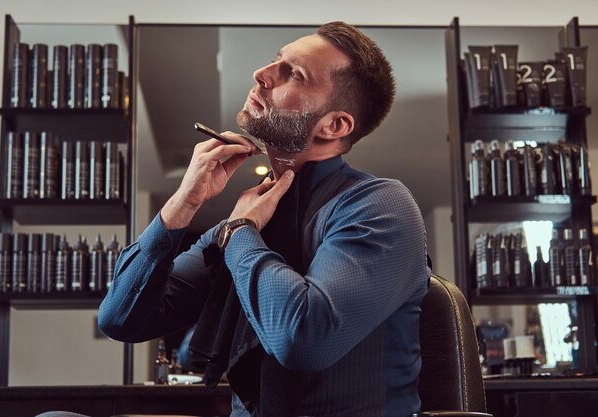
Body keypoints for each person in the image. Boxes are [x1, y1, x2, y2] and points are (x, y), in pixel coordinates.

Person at [98, 21, 430, 417]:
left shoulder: (380, 206)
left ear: (334, 125)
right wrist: (183, 204)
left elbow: (302, 339)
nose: (261, 73)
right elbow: (120, 319)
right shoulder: (244, 223)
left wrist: (240, 233)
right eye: (276, 60)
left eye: (294, 73)